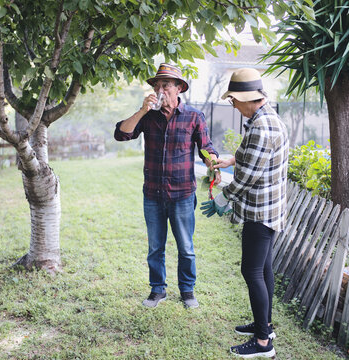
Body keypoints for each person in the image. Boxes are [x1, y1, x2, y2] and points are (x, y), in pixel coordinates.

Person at [114, 63, 221, 309]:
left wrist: (212, 162)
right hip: (153, 194)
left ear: (178, 88)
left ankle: (187, 290)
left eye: (166, 84)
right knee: (155, 247)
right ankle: (157, 290)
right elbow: (121, 134)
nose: (160, 89)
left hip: (182, 194)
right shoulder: (147, 116)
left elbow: (207, 148)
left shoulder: (194, 116)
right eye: (157, 85)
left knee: (186, 247)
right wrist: (142, 110)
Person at [200, 68, 288, 358]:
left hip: (260, 212)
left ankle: (263, 343)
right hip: (268, 208)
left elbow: (248, 176)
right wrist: (229, 159)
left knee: (251, 270)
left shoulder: (262, 126)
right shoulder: (264, 119)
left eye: (233, 100)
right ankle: (265, 325)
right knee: (263, 270)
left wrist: (223, 199)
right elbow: (250, 155)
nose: (233, 106)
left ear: (246, 98)